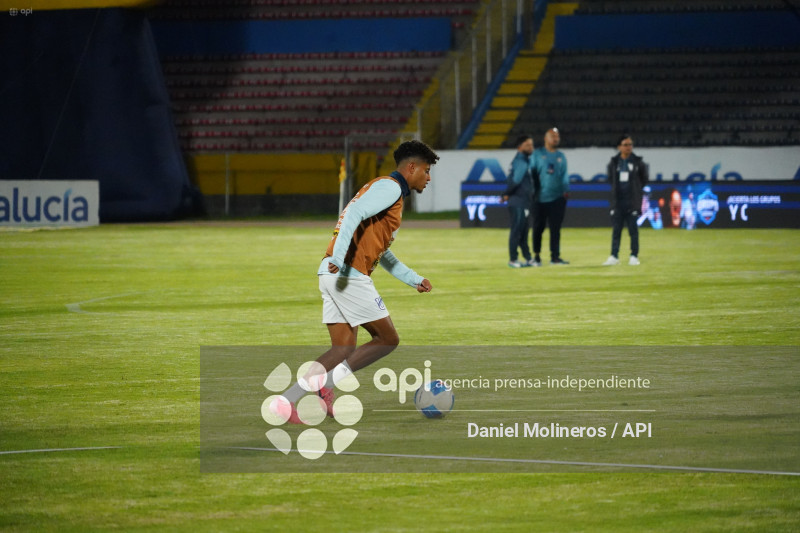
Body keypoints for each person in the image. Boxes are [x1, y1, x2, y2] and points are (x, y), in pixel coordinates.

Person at [270, 140, 439, 424]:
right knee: (387, 339)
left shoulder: (385, 190)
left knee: (342, 350)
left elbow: (381, 251)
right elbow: (352, 214)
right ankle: (327, 384)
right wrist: (339, 255)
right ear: (411, 168)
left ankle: (285, 402)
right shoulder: (391, 188)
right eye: (426, 170)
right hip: (347, 274)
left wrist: (414, 279)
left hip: (331, 273)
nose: (428, 177)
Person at [602, 135, 649, 266]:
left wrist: (636, 192)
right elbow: (611, 179)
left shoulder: (638, 162)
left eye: (630, 144)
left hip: (632, 201)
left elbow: (644, 180)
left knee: (633, 231)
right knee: (616, 230)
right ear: (619, 147)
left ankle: (634, 255)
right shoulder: (614, 163)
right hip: (618, 202)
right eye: (626, 144)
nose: (629, 147)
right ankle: (614, 256)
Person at [531, 127, 570, 265]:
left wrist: (565, 191)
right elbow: (532, 173)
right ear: (545, 138)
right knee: (538, 228)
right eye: (553, 136)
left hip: (557, 198)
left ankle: (555, 257)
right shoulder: (537, 154)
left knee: (555, 229)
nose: (556, 138)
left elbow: (565, 175)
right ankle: (536, 256)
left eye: (557, 136)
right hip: (539, 199)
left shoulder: (561, 156)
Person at [502, 134, 538, 268]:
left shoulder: (522, 160)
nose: (531, 147)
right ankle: (513, 259)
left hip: (523, 202)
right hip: (518, 201)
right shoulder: (521, 161)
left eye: (532, 145)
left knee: (523, 232)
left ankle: (528, 258)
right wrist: (506, 194)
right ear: (519, 147)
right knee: (517, 231)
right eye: (528, 145)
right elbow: (516, 180)